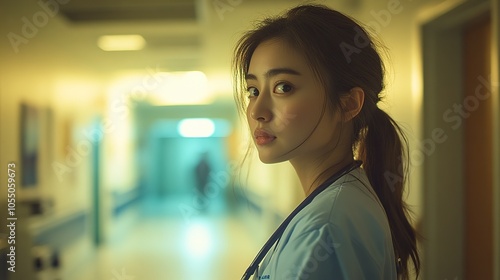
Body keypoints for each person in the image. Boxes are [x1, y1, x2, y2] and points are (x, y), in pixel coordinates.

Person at [232, 4, 420, 280]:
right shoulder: (342, 202)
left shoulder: (324, 230)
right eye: (253, 90)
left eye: (284, 87)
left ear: (348, 104)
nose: (257, 111)